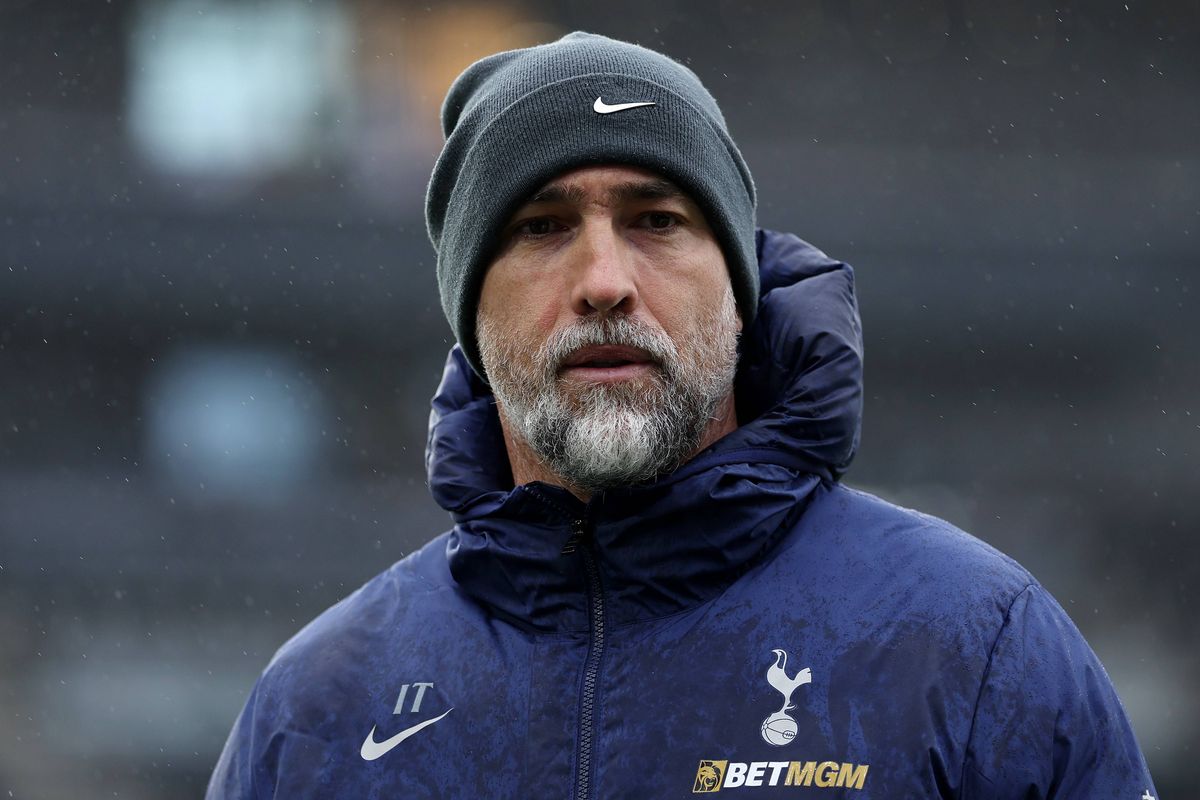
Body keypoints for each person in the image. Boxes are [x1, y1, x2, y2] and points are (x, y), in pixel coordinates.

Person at [207, 32, 1158, 798]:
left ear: (739, 293)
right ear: (469, 309)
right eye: (541, 227)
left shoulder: (973, 647)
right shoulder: (319, 708)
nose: (605, 282)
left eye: (657, 220)